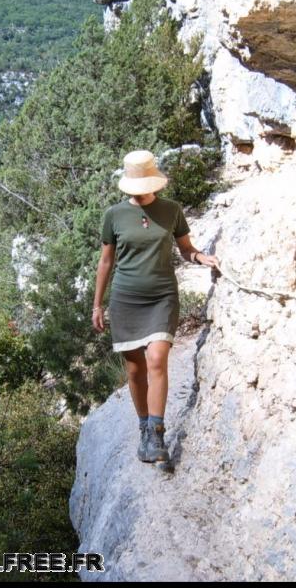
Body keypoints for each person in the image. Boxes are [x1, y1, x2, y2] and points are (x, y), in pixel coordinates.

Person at [91, 150, 219, 469]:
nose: (138, 191)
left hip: (162, 296)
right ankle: (144, 427)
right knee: (135, 370)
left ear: (153, 181)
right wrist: (97, 304)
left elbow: (185, 248)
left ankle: (157, 435)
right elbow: (106, 261)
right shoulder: (114, 215)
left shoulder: (171, 210)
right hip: (125, 299)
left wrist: (199, 257)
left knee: (157, 359)